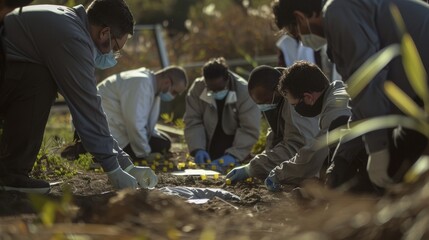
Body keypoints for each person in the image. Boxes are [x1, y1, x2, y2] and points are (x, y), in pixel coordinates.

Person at [0, 0, 157, 194]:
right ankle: (11, 174)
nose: (114, 55)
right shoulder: (72, 38)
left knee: (40, 77)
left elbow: (90, 110)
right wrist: (113, 168)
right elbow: (88, 110)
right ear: (104, 33)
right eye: (116, 48)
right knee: (41, 82)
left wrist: (127, 165)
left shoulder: (69, 21)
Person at [272, 0, 429, 189]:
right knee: (384, 161)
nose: (301, 39)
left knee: (392, 165)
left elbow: (369, 84)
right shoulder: (340, 23)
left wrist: (377, 150)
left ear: (300, 17)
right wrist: (340, 159)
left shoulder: (339, 12)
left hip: (421, 95)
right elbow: (361, 106)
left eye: (296, 32)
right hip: (417, 98)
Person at [264, 61, 352, 191]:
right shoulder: (338, 93)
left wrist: (279, 173)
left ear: (308, 97)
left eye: (294, 105)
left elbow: (314, 154)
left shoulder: (335, 110)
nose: (295, 110)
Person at [225, 65, 319, 183]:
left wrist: (252, 168)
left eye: (265, 101)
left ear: (277, 89)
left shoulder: (296, 100)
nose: (263, 106)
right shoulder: (278, 98)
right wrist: (262, 166)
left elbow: (296, 147)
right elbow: (276, 138)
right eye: (258, 103)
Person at [184, 57, 260, 173]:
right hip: (209, 138)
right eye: (211, 89)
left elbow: (249, 128)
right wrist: (197, 148)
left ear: (227, 79)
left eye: (219, 88)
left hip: (232, 138)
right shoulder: (197, 88)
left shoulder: (244, 91)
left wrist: (234, 155)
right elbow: (193, 120)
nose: (215, 92)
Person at [97, 66, 188, 160]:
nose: (174, 96)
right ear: (167, 82)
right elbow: (135, 124)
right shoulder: (141, 83)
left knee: (164, 142)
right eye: (174, 92)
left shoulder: (149, 85)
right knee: (157, 145)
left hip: (117, 125)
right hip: (107, 131)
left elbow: (144, 122)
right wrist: (144, 154)